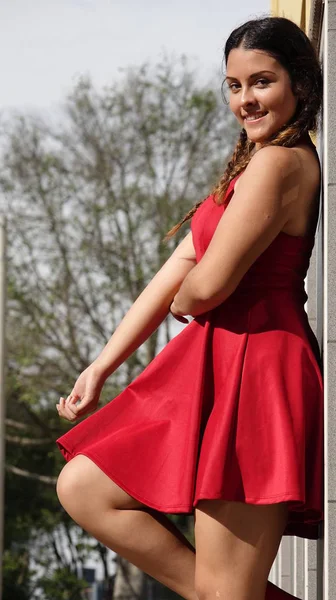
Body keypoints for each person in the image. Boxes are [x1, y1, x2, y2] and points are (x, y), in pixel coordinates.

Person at [56, 16, 323, 600]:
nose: (245, 100)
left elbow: (203, 288)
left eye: (261, 82)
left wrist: (190, 295)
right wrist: (101, 366)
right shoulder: (251, 167)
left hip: (257, 369)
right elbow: (180, 268)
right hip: (214, 361)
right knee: (83, 486)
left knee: (228, 592)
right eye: (233, 85)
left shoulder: (281, 164)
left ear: (300, 84)